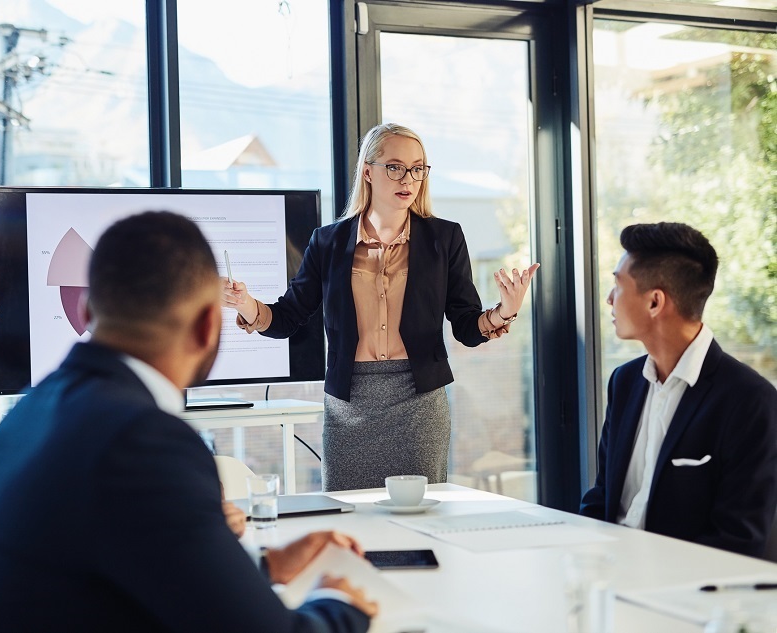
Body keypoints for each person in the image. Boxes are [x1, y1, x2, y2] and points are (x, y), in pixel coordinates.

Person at [0, 211, 377, 633]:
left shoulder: (31, 413)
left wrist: (266, 567)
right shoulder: (144, 441)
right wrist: (341, 602)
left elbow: (124, 570)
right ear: (209, 325)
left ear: (87, 310)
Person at [224, 123, 540, 491]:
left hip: (419, 403)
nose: (408, 178)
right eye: (395, 166)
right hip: (349, 407)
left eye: (418, 168)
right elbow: (287, 318)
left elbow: (466, 326)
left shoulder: (444, 238)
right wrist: (246, 303)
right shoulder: (327, 242)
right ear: (368, 172)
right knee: (350, 520)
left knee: (418, 519)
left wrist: (505, 310)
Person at [579, 222, 777, 557]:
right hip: (610, 577)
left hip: (687, 594)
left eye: (618, 284)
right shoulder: (624, 382)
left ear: (655, 302)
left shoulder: (750, 400)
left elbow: (740, 539)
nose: (610, 298)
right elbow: (602, 498)